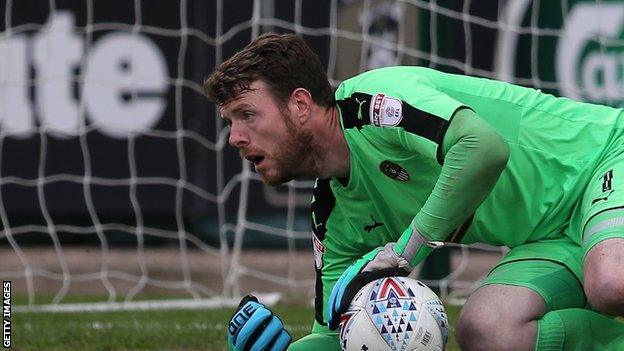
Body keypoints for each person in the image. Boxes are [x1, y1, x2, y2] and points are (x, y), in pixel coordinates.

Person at [205, 33, 624, 351]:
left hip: (605, 156)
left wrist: (402, 252)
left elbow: (483, 148)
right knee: (487, 328)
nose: (235, 138)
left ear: (299, 105)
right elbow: (336, 334)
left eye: (246, 115)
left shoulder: (374, 102)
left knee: (611, 281)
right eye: (229, 122)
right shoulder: (332, 214)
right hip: (549, 237)